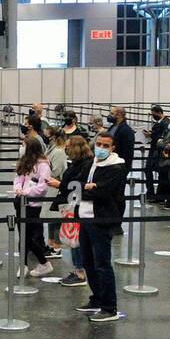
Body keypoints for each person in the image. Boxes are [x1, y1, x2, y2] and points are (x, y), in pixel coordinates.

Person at [75, 132, 128, 323]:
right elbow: (77, 185)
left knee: (102, 264)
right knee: (88, 262)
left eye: (106, 145)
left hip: (102, 220)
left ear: (112, 148)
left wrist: (90, 189)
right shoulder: (91, 163)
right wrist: (89, 187)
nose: (102, 148)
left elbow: (104, 192)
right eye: (99, 144)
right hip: (85, 217)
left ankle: (109, 307)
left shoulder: (116, 166)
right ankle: (96, 298)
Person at [49, 135, 94, 287]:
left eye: (68, 146)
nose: (66, 149)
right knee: (73, 239)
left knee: (76, 239)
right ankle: (77, 269)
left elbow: (76, 184)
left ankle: (80, 272)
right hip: (71, 202)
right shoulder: (77, 162)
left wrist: (59, 185)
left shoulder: (86, 164)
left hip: (78, 204)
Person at [13, 136, 54, 276]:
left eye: (23, 145)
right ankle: (23, 264)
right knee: (22, 235)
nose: (21, 148)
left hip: (33, 205)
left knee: (28, 237)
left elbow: (42, 187)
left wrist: (26, 192)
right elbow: (19, 178)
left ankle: (43, 263)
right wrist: (18, 189)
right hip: (20, 202)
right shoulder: (26, 162)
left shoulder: (43, 165)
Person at [42, 128, 69, 253]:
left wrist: (44, 174)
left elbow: (56, 171)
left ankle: (57, 246)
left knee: (56, 218)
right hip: (50, 186)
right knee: (50, 217)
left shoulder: (58, 151)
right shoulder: (52, 148)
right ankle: (51, 243)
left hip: (55, 187)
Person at [143, 105, 169, 202]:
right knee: (158, 173)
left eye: (154, 114)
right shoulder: (160, 123)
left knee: (158, 172)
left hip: (158, 151)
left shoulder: (165, 123)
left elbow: (164, 136)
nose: (153, 116)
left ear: (159, 113)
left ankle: (155, 194)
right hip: (155, 149)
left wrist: (151, 134)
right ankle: (155, 194)